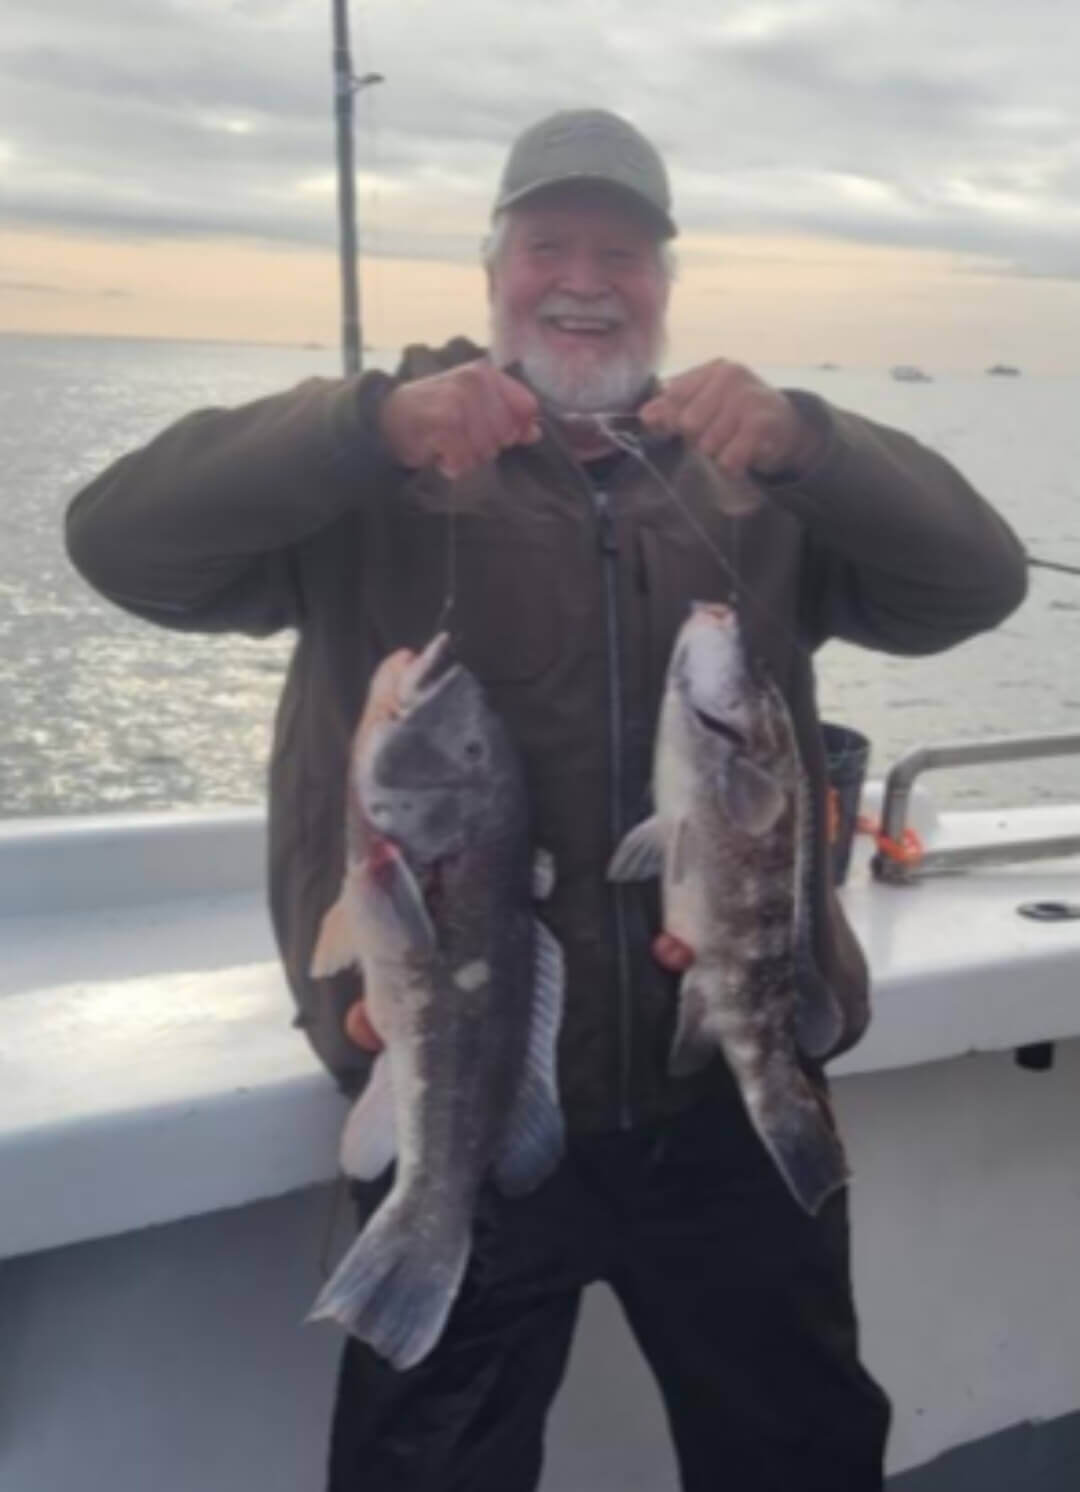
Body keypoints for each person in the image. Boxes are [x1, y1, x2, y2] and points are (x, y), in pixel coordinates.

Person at [65, 108, 1027, 1491]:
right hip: (455, 1083)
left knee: (803, 1450)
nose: (585, 280)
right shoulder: (374, 473)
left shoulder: (746, 481)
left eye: (623, 253)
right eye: (548, 245)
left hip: (726, 1092)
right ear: (494, 269)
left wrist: (811, 441)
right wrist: (365, 425)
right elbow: (120, 548)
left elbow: (974, 587)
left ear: (667, 283)